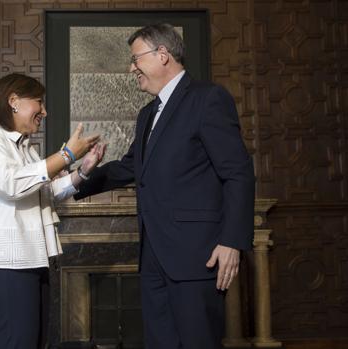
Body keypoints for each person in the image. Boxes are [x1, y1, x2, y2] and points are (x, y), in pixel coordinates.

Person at [74, 24, 255, 349]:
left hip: (197, 256)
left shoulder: (208, 99)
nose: (131, 68)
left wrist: (232, 241)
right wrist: (81, 176)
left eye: (135, 58)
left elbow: (238, 173)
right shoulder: (147, 114)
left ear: (162, 55)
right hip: (153, 256)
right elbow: (131, 167)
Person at [0, 73, 105, 349]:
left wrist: (83, 171)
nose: (45, 111)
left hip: (30, 259)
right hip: (4, 263)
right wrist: (66, 155)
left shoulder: (24, 147)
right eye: (38, 102)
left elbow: (43, 193)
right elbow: (11, 184)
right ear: (13, 101)